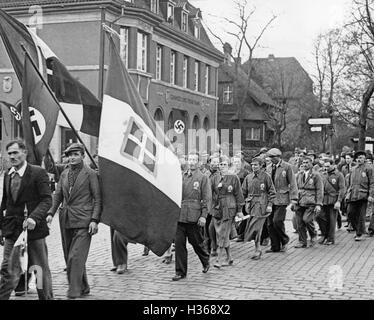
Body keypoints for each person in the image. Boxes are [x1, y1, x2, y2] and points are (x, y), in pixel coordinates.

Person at [0, 139, 53, 300]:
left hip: (34, 230)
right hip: (12, 230)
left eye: (15, 152)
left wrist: (34, 218)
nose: (12, 156)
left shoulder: (37, 172)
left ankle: (46, 297)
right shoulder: (8, 174)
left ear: (24, 152)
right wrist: (1, 228)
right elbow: (5, 204)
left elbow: (46, 200)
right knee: (7, 268)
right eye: (9, 153)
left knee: (39, 269)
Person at [47, 143, 102, 298]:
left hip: (85, 221)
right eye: (70, 155)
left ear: (83, 155)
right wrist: (51, 212)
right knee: (68, 256)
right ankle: (84, 287)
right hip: (66, 219)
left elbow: (97, 199)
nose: (72, 157)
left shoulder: (90, 174)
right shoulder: (64, 173)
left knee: (75, 256)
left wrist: (94, 219)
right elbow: (58, 195)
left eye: (76, 154)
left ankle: (74, 290)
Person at [172, 152, 211, 281]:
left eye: (195, 160)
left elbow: (206, 198)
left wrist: (204, 216)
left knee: (196, 242)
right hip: (180, 215)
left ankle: (205, 260)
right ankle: (180, 272)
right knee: (179, 244)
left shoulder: (203, 177)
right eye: (190, 159)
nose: (192, 162)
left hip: (194, 215)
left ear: (199, 162)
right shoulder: (181, 175)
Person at [210, 155, 244, 268]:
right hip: (218, 208)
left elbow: (238, 194)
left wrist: (239, 210)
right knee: (220, 232)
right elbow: (209, 192)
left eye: (224, 164)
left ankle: (219, 259)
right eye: (220, 164)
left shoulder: (233, 177)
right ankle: (229, 257)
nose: (222, 166)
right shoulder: (214, 177)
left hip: (229, 207)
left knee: (223, 233)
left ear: (228, 165)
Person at [241, 157, 276, 260]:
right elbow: (243, 192)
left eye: (256, 165)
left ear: (261, 165)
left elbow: (272, 192)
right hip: (251, 206)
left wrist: (269, 205)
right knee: (253, 227)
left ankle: (258, 249)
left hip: (262, 206)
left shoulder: (266, 177)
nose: (253, 167)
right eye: (252, 165)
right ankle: (257, 247)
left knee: (257, 228)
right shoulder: (248, 177)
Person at [265, 148, 298, 253]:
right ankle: (275, 246)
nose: (270, 159)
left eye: (272, 157)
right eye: (270, 157)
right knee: (270, 224)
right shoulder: (268, 168)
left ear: (278, 157)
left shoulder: (287, 167)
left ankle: (284, 240)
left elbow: (292, 183)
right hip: (270, 199)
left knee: (277, 221)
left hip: (282, 198)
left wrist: (294, 198)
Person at [293, 155, 324, 248]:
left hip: (311, 201)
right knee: (299, 222)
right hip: (300, 201)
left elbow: (320, 190)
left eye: (307, 162)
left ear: (311, 163)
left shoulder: (316, 175)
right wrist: (294, 200)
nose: (305, 164)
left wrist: (318, 204)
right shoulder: (299, 174)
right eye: (303, 163)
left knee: (307, 219)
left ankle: (313, 234)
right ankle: (302, 241)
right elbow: (295, 188)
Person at [345, 150, 374, 241]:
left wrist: (371, 195)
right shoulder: (353, 169)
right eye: (357, 158)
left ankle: (359, 233)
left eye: (361, 157)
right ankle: (358, 228)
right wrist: (347, 194)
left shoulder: (369, 168)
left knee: (361, 215)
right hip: (353, 195)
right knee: (350, 213)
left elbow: (372, 183)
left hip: (363, 195)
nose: (359, 159)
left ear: (365, 158)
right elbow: (350, 183)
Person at [316, 158, 346, 245]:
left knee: (332, 220)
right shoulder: (321, 174)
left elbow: (342, 189)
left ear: (333, 165)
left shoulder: (339, 175)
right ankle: (324, 234)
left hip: (333, 200)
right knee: (318, 216)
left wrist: (339, 201)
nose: (326, 168)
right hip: (322, 200)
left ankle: (330, 238)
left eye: (328, 166)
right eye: (324, 166)